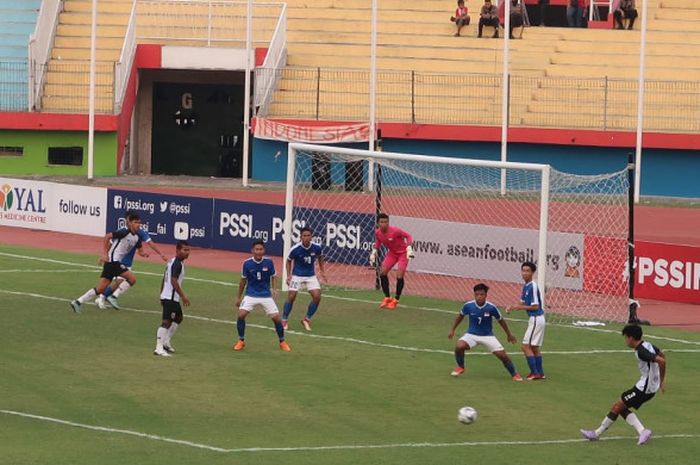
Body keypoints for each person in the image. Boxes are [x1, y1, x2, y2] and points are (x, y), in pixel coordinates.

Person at [580, 324, 666, 445]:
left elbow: (661, 360)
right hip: (649, 388)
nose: (625, 340)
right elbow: (662, 355)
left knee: (617, 406)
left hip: (644, 389)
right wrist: (659, 380)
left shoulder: (641, 351)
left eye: (626, 337)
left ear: (631, 338)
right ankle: (641, 431)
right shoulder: (648, 344)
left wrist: (662, 379)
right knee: (620, 407)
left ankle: (596, 434)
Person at [70, 213, 147, 313]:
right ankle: (114, 296)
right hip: (113, 262)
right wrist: (105, 254)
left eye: (139, 223)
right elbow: (107, 237)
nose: (138, 225)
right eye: (135, 222)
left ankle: (78, 302)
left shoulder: (137, 237)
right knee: (132, 279)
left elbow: (139, 249)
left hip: (111, 263)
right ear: (130, 223)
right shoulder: (123, 232)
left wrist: (143, 254)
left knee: (100, 289)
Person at [448, 283, 523, 381]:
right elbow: (460, 316)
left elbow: (501, 320)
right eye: (477, 294)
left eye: (482, 294)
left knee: (503, 356)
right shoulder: (468, 306)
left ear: (486, 295)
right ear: (474, 294)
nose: (479, 297)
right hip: (471, 335)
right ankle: (460, 367)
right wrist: (452, 329)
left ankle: (514, 374)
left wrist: (509, 334)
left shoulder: (491, 307)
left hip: (488, 336)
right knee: (459, 346)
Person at [96, 212, 168, 310]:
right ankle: (107, 297)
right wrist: (104, 255)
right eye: (129, 220)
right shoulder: (122, 231)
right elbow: (111, 243)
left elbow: (146, 245)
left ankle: (103, 297)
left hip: (127, 261)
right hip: (117, 260)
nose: (130, 222)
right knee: (123, 280)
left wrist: (152, 254)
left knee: (120, 282)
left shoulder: (140, 232)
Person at [233, 241, 291, 352]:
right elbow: (242, 281)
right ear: (252, 251)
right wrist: (238, 297)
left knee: (276, 318)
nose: (259, 251)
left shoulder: (269, 262)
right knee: (241, 315)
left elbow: (274, 276)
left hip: (265, 295)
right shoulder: (247, 263)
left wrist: (274, 289)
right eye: (257, 249)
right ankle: (241, 341)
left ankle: (282, 342)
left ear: (264, 251)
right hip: (251, 294)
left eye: (261, 249)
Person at [506, 261, 546, 380]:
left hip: (536, 319)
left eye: (527, 271)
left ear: (533, 272)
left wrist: (519, 307)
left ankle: (535, 373)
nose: (524, 273)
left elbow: (535, 306)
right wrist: (513, 306)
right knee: (534, 347)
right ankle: (540, 373)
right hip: (536, 319)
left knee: (525, 346)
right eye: (523, 270)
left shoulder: (533, 286)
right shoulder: (526, 286)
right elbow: (523, 302)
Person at [282, 227, 327, 331]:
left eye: (308, 235)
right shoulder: (295, 249)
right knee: (292, 296)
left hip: (310, 275)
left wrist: (322, 271)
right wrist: (288, 275)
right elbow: (288, 261)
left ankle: (306, 320)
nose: (306, 238)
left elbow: (320, 257)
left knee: (317, 297)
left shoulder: (316, 247)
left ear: (311, 236)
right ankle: (284, 320)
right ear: (300, 237)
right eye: (304, 236)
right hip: (297, 275)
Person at [369, 213, 414, 310]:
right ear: (378, 223)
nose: (384, 224)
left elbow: (408, 236)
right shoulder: (378, 233)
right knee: (382, 273)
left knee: (399, 275)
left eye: (386, 222)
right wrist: (374, 251)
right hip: (392, 254)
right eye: (382, 222)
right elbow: (378, 241)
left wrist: (409, 247)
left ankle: (396, 299)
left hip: (402, 254)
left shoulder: (395, 231)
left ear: (388, 222)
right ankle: (387, 297)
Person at [154, 241, 191, 357]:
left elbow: (163, 277)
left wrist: (161, 294)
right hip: (170, 297)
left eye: (188, 250)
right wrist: (183, 296)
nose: (187, 252)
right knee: (166, 322)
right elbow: (173, 280)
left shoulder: (173, 262)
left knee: (178, 317)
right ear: (177, 250)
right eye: (184, 250)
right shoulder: (177, 264)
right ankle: (158, 348)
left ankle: (165, 341)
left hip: (169, 296)